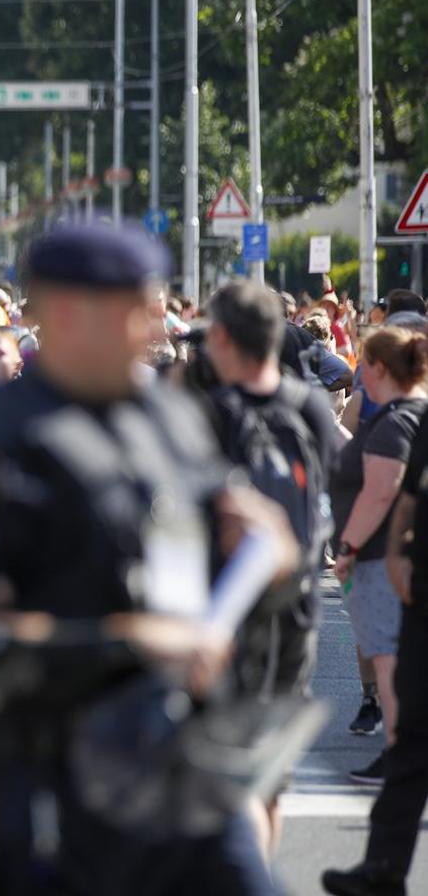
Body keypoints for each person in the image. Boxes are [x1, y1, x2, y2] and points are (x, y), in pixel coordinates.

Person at [0, 226, 293, 895]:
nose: (159, 322)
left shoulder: (169, 417)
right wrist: (122, 642)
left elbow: (213, 569)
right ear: (65, 314)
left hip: (189, 771)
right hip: (60, 794)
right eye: (138, 306)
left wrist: (266, 559)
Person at [195, 280, 339, 856]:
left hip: (225, 612)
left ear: (223, 339)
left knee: (225, 765)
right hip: (297, 606)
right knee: (271, 769)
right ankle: (263, 862)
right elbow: (332, 482)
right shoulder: (308, 405)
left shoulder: (211, 412)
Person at [324, 440, 428, 894]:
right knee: (411, 733)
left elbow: (394, 490)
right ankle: (383, 869)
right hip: (417, 584)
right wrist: (397, 553)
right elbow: (407, 494)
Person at [331, 327, 428, 786]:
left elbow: (381, 491)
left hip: (381, 557)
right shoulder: (413, 414)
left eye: (363, 364)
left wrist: (347, 546)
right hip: (399, 555)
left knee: (387, 657)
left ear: (379, 368)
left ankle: (398, 753)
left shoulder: (393, 423)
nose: (358, 373)